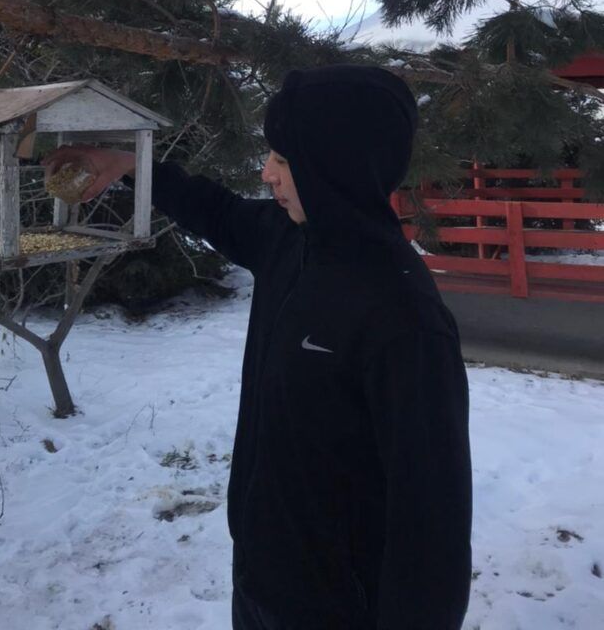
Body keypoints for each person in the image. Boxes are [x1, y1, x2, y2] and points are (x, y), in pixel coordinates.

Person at [43, 64, 473, 630]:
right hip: (261, 578)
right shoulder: (288, 239)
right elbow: (217, 210)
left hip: (338, 608)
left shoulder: (404, 319)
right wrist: (127, 166)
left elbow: (433, 528)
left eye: (283, 160)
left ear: (336, 165)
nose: (266, 173)